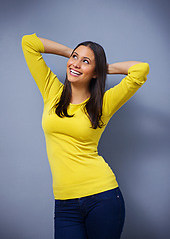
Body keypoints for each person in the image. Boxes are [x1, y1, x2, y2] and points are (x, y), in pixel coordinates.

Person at [22, 33, 149, 239]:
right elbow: (29, 42)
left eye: (86, 61)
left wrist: (104, 68)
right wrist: (69, 54)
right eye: (75, 57)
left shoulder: (103, 104)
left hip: (102, 197)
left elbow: (141, 70)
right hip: (64, 204)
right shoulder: (52, 92)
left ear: (95, 72)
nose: (76, 64)